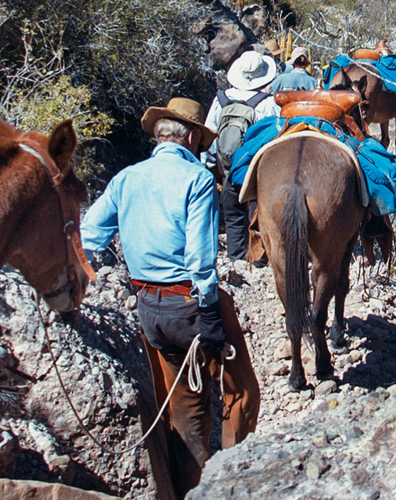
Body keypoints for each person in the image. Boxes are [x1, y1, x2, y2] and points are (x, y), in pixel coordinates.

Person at [81, 97, 260, 496]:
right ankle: (239, 479)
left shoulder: (126, 178)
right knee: (241, 391)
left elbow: (88, 235)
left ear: (161, 135)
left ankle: (185, 485)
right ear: (193, 136)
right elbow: (199, 259)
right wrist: (210, 311)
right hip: (190, 306)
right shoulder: (196, 179)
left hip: (148, 308)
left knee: (185, 408)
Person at [203, 50, 281, 263]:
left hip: (227, 167)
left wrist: (212, 165)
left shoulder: (221, 99)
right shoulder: (266, 103)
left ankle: (235, 257)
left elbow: (210, 135)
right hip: (256, 170)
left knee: (233, 215)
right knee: (257, 215)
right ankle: (259, 258)